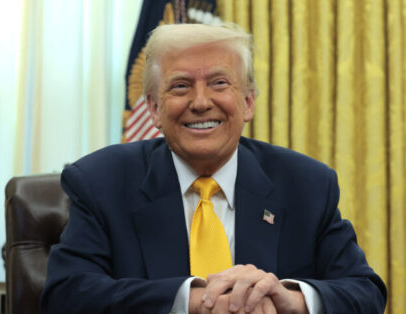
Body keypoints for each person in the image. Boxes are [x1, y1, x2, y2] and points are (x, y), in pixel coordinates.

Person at [41, 23, 386, 313]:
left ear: (248, 102)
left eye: (220, 83)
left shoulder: (307, 184)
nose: (201, 102)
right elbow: (66, 294)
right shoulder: (100, 182)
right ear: (153, 108)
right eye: (181, 86)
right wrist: (191, 300)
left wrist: (290, 300)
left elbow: (365, 292)